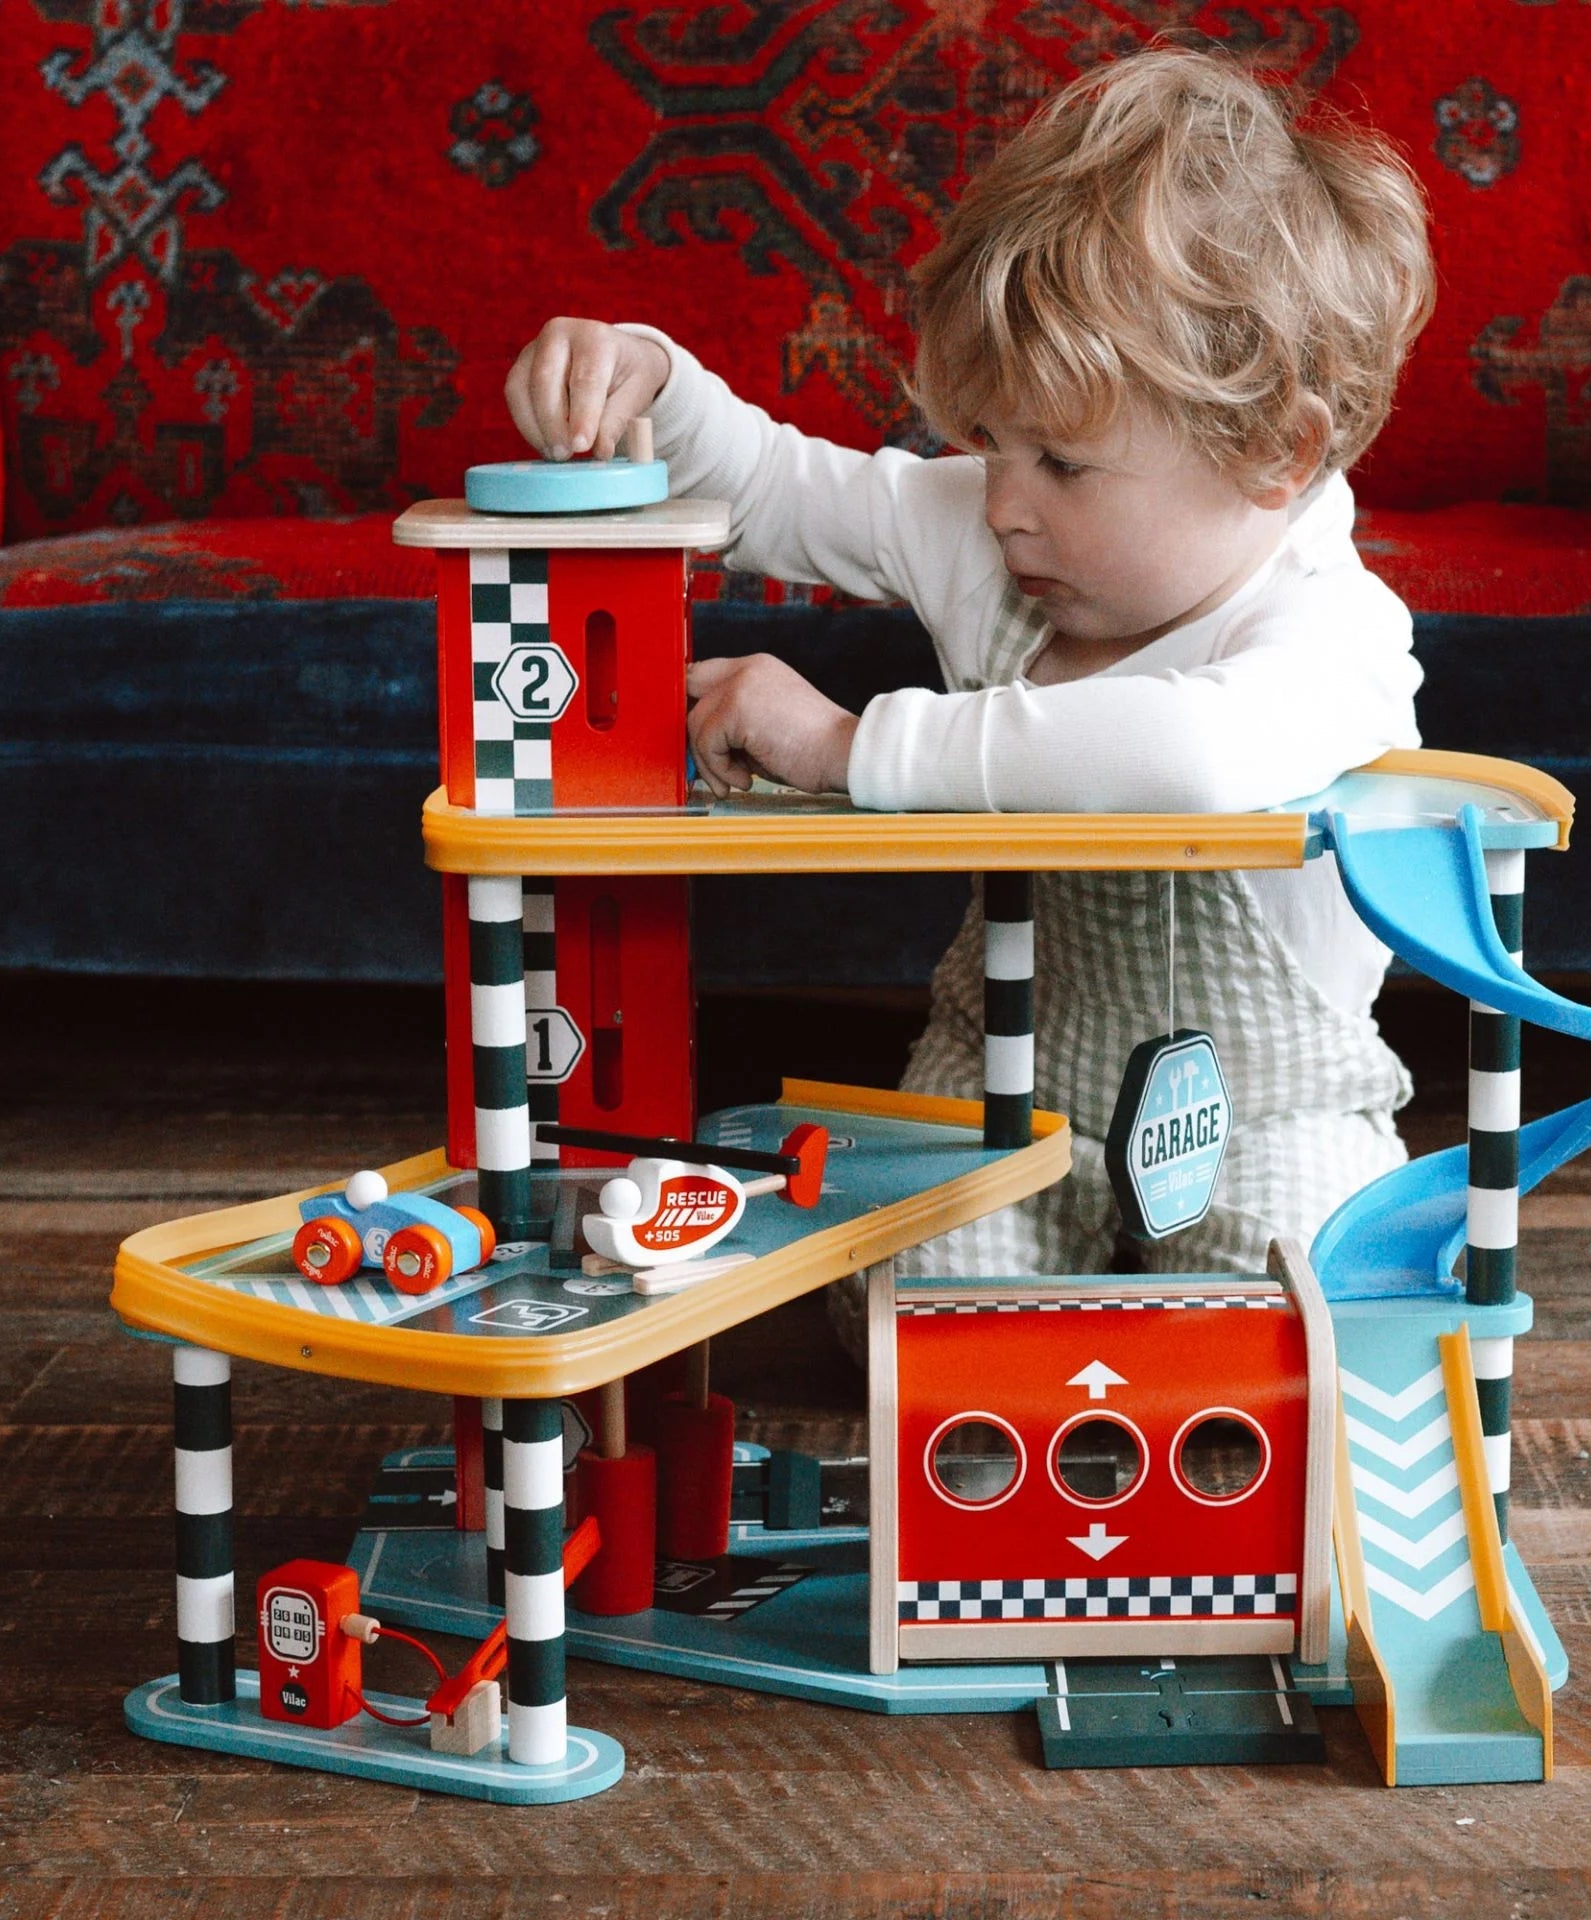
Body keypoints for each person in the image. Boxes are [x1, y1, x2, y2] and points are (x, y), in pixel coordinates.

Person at [504, 44, 1436, 1348]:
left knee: (1323, 1318)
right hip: (1006, 1081)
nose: (1001, 504)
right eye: (987, 441)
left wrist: (846, 744)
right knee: (915, 1311)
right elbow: (774, 489)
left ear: (1276, 449)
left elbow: (1189, 758)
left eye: (1059, 460)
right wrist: (650, 384)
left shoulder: (1332, 632)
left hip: (1264, 1104)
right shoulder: (999, 534)